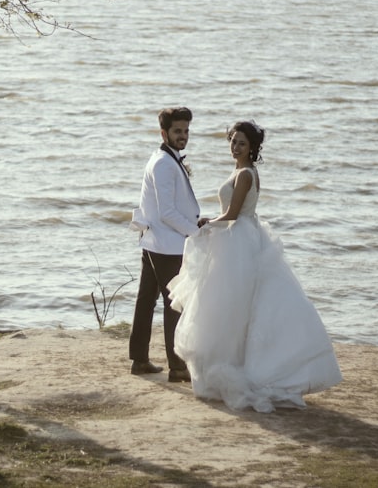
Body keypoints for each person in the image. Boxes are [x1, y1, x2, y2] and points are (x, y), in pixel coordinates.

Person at [168, 120, 342, 411]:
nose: (235, 147)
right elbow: (232, 213)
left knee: (234, 307)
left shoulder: (245, 174)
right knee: (231, 308)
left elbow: (233, 214)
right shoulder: (240, 171)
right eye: (233, 141)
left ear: (252, 148)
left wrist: (207, 222)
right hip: (239, 238)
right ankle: (229, 363)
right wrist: (214, 221)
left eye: (241, 143)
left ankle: (247, 368)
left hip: (239, 241)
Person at [128, 106, 206, 383]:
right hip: (167, 245)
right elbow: (166, 212)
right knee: (174, 305)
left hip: (154, 241)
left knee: (146, 301)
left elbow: (170, 207)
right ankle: (177, 367)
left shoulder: (163, 158)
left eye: (186, 130)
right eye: (177, 131)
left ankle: (139, 360)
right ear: (164, 133)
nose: (183, 136)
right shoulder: (163, 163)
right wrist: (194, 233)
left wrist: (194, 222)